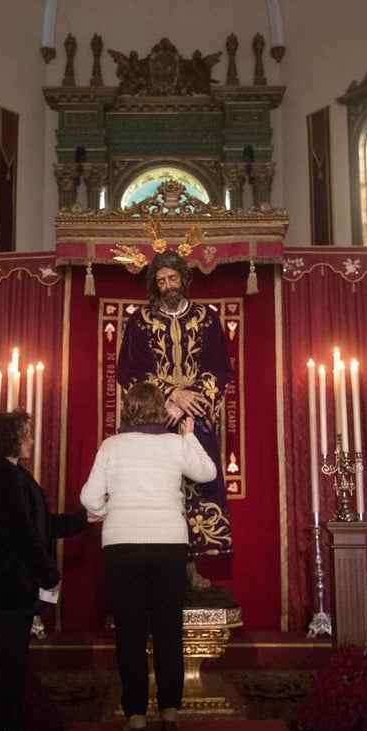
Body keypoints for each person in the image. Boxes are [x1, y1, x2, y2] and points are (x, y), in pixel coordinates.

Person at [79, 382, 217, 731]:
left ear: (128, 409)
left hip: (122, 544)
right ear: (159, 409)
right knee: (168, 629)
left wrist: (109, 509)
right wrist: (188, 437)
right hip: (168, 543)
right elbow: (207, 473)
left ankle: (136, 714)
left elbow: (89, 498)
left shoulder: (111, 446)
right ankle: (170, 709)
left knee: (130, 632)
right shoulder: (173, 445)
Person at [0, 410, 97, 731]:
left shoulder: (13, 475)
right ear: (8, 438)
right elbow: (20, 533)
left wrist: (83, 519)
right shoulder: (2, 477)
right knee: (9, 666)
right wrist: (47, 573)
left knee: (13, 663)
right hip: (7, 587)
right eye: (25, 434)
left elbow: (41, 526)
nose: (31, 440)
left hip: (10, 586)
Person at [116, 249, 233, 588]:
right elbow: (129, 370)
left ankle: (192, 567)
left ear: (183, 278)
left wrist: (189, 401)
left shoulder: (207, 318)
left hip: (195, 416)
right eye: (161, 280)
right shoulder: (139, 321)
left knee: (197, 485)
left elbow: (219, 368)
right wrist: (170, 395)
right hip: (156, 417)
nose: (168, 285)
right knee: (158, 489)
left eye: (172, 278)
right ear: (154, 285)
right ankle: (160, 567)